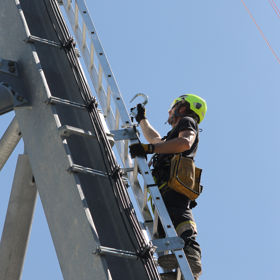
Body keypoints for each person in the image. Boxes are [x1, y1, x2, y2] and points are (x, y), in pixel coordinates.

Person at [129, 94, 207, 280]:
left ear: (183, 108)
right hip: (164, 187)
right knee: (165, 230)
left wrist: (148, 149)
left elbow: (185, 142)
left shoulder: (187, 122)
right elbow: (156, 140)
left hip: (174, 186)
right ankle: (176, 275)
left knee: (179, 215)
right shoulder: (171, 136)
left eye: (173, 107)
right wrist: (142, 120)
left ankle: (192, 255)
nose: (168, 111)